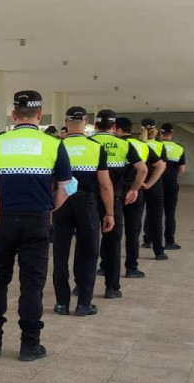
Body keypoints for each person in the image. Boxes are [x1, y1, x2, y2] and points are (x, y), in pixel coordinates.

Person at [0, 91, 71, 362]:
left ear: (13, 114)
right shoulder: (53, 144)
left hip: (1, 221)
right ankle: (29, 345)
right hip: (37, 220)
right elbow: (65, 189)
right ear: (40, 115)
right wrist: (48, 208)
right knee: (32, 284)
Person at [52, 107, 113, 316]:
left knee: (60, 253)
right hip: (87, 204)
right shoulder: (95, 148)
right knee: (88, 252)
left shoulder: (57, 146)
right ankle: (83, 303)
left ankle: (61, 303)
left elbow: (51, 181)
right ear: (86, 122)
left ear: (66, 122)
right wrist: (110, 213)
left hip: (61, 202)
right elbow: (105, 185)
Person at [90, 110, 146, 299]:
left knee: (88, 243)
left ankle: (82, 286)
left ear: (95, 125)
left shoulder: (89, 143)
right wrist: (134, 189)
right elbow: (142, 169)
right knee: (113, 242)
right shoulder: (124, 144)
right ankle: (112, 287)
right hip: (115, 199)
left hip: (89, 198)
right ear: (114, 127)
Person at [115, 118, 164, 278]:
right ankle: (131, 267)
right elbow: (160, 165)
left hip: (114, 191)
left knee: (112, 231)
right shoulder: (144, 146)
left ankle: (105, 266)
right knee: (133, 231)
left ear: (118, 129)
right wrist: (146, 184)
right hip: (135, 191)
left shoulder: (114, 145)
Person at [140, 118, 169, 260]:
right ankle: (159, 251)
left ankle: (141, 243)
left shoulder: (138, 144)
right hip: (155, 183)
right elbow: (162, 165)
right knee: (156, 217)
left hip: (138, 183)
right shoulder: (159, 145)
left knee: (135, 218)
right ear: (155, 130)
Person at [158, 123, 186, 250]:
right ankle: (169, 241)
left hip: (155, 183)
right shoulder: (179, 148)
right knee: (170, 213)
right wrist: (175, 178)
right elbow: (182, 169)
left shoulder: (155, 146)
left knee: (153, 212)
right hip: (171, 183)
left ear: (160, 132)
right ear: (172, 133)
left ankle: (148, 240)